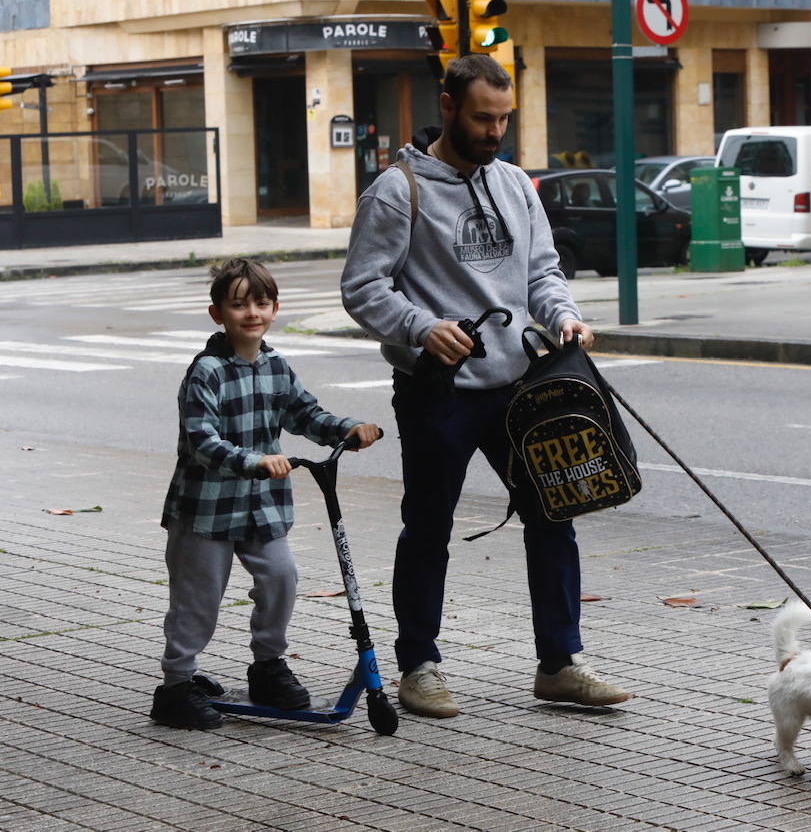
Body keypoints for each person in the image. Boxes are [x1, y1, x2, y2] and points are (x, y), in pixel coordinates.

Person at [340, 54, 631, 719]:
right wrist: (419, 327)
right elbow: (361, 287)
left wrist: (563, 315)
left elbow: (543, 271)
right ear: (446, 105)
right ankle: (419, 664)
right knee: (428, 526)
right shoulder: (397, 190)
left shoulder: (515, 185)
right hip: (437, 392)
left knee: (554, 514)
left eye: (504, 118)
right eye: (482, 118)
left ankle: (559, 662)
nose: (495, 130)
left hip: (519, 384)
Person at [153, 258, 381, 729]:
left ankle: (268, 665)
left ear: (275, 308)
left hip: (262, 509)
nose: (251, 312)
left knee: (281, 578)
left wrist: (348, 430)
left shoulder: (276, 365)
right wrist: (253, 461)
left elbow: (305, 414)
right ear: (218, 313)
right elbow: (202, 440)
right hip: (206, 511)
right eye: (238, 304)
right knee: (199, 599)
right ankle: (176, 684)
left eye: (260, 303)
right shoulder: (207, 372)